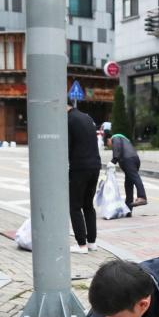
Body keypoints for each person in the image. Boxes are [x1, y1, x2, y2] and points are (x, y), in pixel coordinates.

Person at [67, 98, 101, 254]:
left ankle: (81, 245)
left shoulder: (69, 119)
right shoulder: (86, 117)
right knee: (88, 205)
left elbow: (67, 146)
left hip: (79, 167)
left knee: (74, 206)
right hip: (95, 165)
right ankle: (92, 242)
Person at [104, 130, 147, 211]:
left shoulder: (115, 138)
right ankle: (128, 209)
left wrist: (113, 161)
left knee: (135, 177)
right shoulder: (123, 139)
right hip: (134, 159)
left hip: (128, 160)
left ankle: (142, 197)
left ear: (108, 139)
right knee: (128, 184)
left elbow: (117, 148)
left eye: (108, 144)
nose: (109, 146)